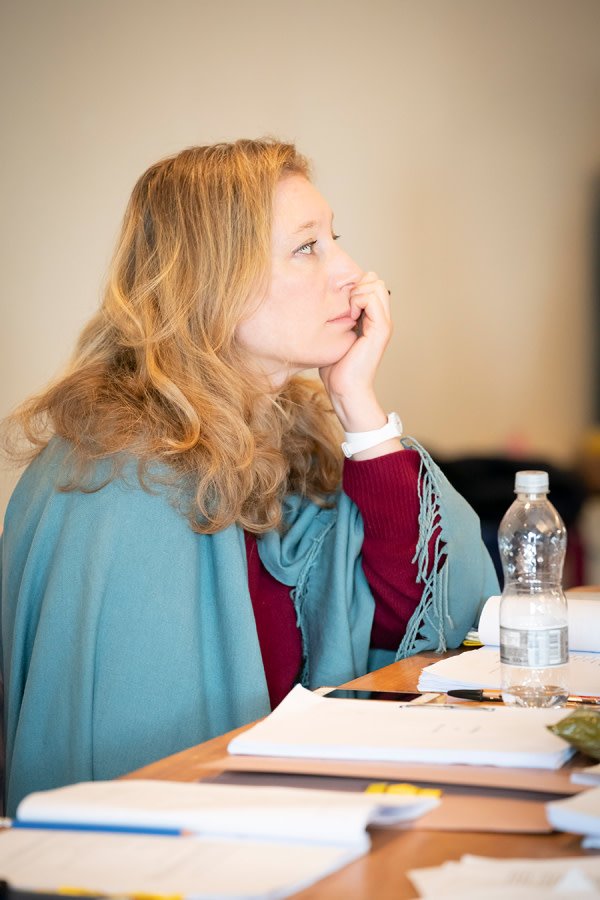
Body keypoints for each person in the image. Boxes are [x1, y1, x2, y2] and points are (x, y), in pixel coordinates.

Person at [0, 139, 498, 815]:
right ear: (212, 280)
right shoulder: (115, 480)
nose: (352, 273)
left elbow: (435, 615)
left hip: (292, 823)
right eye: (307, 247)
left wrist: (358, 405)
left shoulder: (294, 443)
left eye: (335, 239)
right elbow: (125, 771)